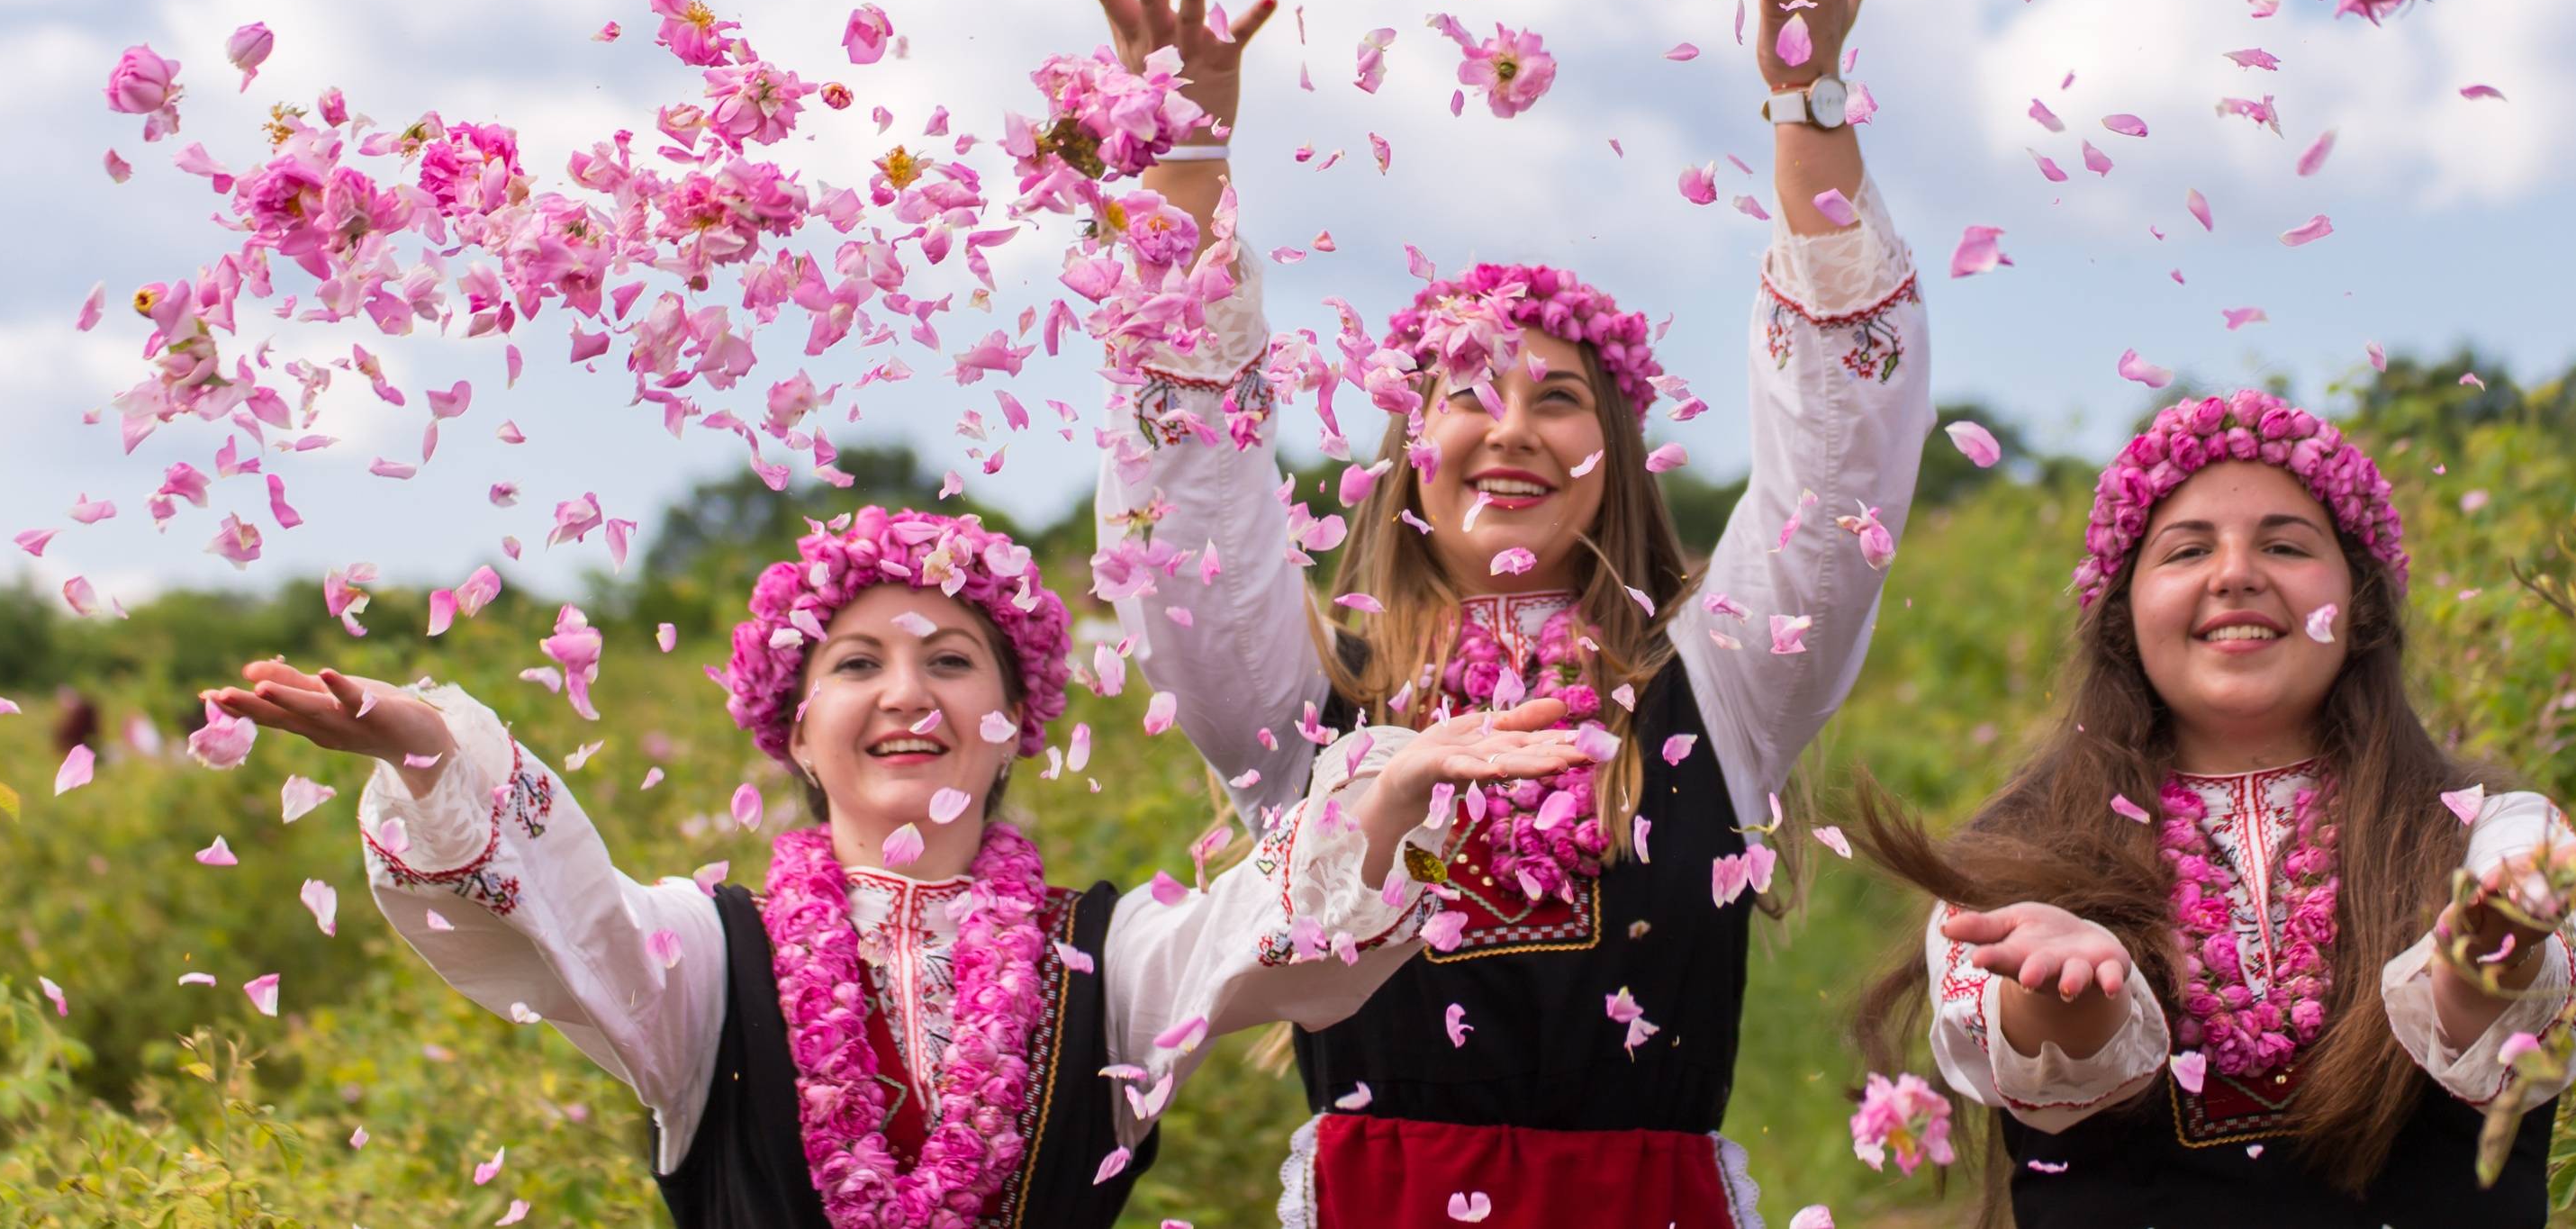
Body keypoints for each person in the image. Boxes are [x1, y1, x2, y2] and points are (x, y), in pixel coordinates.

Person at [1073, 0, 1933, 1228]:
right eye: (1465, 391)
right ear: (1411, 449)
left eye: (1559, 397)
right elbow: (1190, 532)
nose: (1510, 429)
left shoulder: (1715, 680)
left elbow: (1842, 463)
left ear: (1617, 452)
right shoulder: (1312, 709)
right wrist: (1181, 166)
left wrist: (1806, 107)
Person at [206, 504, 1590, 1229]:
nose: (907, 695)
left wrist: (1395, 777)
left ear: (1016, 722)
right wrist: (431, 751)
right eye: (856, 664)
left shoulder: (1109, 965)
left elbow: (1263, 931)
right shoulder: (702, 960)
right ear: (796, 728)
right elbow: (566, 915)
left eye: (952, 662)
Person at [1855, 390, 2576, 1228]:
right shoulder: (2015, 860)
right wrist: (2067, 997)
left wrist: (2486, 956)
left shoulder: (2496, 833)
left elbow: (2499, 1004)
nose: (2235, 574)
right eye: (2187, 550)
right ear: (2124, 614)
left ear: (2360, 604)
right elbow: (2041, 1055)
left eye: (2286, 545)